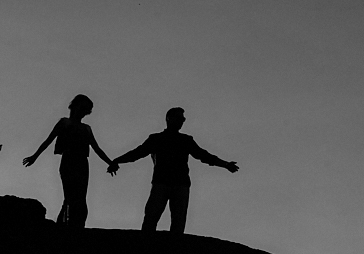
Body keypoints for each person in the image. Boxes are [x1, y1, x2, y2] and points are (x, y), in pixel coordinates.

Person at [108, 107, 238, 233]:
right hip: (164, 183)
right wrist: (117, 160)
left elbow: (204, 156)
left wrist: (225, 164)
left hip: (176, 183)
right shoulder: (158, 139)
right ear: (169, 119)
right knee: (154, 217)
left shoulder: (184, 140)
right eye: (180, 118)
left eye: (183, 119)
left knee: (174, 220)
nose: (182, 121)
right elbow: (136, 153)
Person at [23, 94, 115, 228]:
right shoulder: (64, 123)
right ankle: (65, 225)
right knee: (70, 197)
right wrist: (34, 156)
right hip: (69, 161)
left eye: (86, 110)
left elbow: (97, 149)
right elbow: (48, 141)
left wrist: (110, 162)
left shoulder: (86, 129)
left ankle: (76, 225)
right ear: (75, 106)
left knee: (81, 199)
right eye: (82, 108)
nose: (83, 112)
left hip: (82, 164)